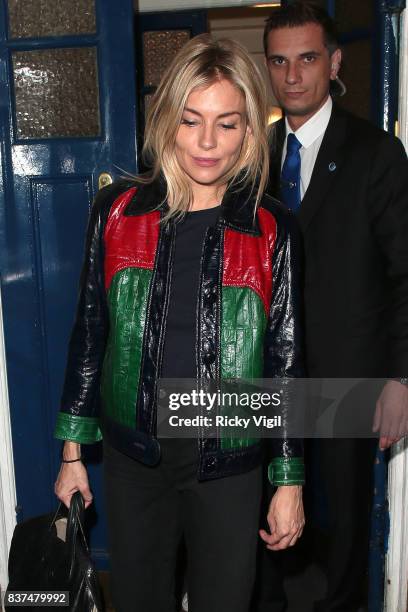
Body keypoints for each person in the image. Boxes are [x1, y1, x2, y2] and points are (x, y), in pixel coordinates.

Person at [53, 34, 306, 612]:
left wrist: (288, 478)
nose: (208, 142)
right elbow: (90, 333)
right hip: (135, 452)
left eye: (228, 123)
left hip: (229, 455)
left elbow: (286, 359)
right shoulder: (116, 213)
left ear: (249, 130)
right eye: (192, 120)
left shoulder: (273, 230)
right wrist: (71, 455)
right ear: (169, 120)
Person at [255, 3, 408, 612]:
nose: (293, 75)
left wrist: (400, 377)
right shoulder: (251, 154)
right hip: (264, 375)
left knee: (343, 529)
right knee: (265, 518)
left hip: (350, 375)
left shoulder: (376, 153)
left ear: (335, 62)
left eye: (308, 58)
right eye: (280, 61)